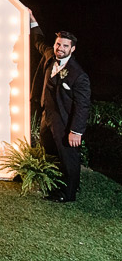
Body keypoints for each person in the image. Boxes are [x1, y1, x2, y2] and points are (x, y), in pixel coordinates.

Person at [29, 11, 91, 202]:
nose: (60, 48)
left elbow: (82, 105)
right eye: (58, 44)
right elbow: (39, 41)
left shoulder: (78, 75)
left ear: (72, 49)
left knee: (68, 158)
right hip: (47, 117)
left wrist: (76, 131)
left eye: (65, 46)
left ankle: (69, 194)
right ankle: (54, 187)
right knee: (49, 154)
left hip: (65, 123)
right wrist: (31, 20)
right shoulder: (49, 56)